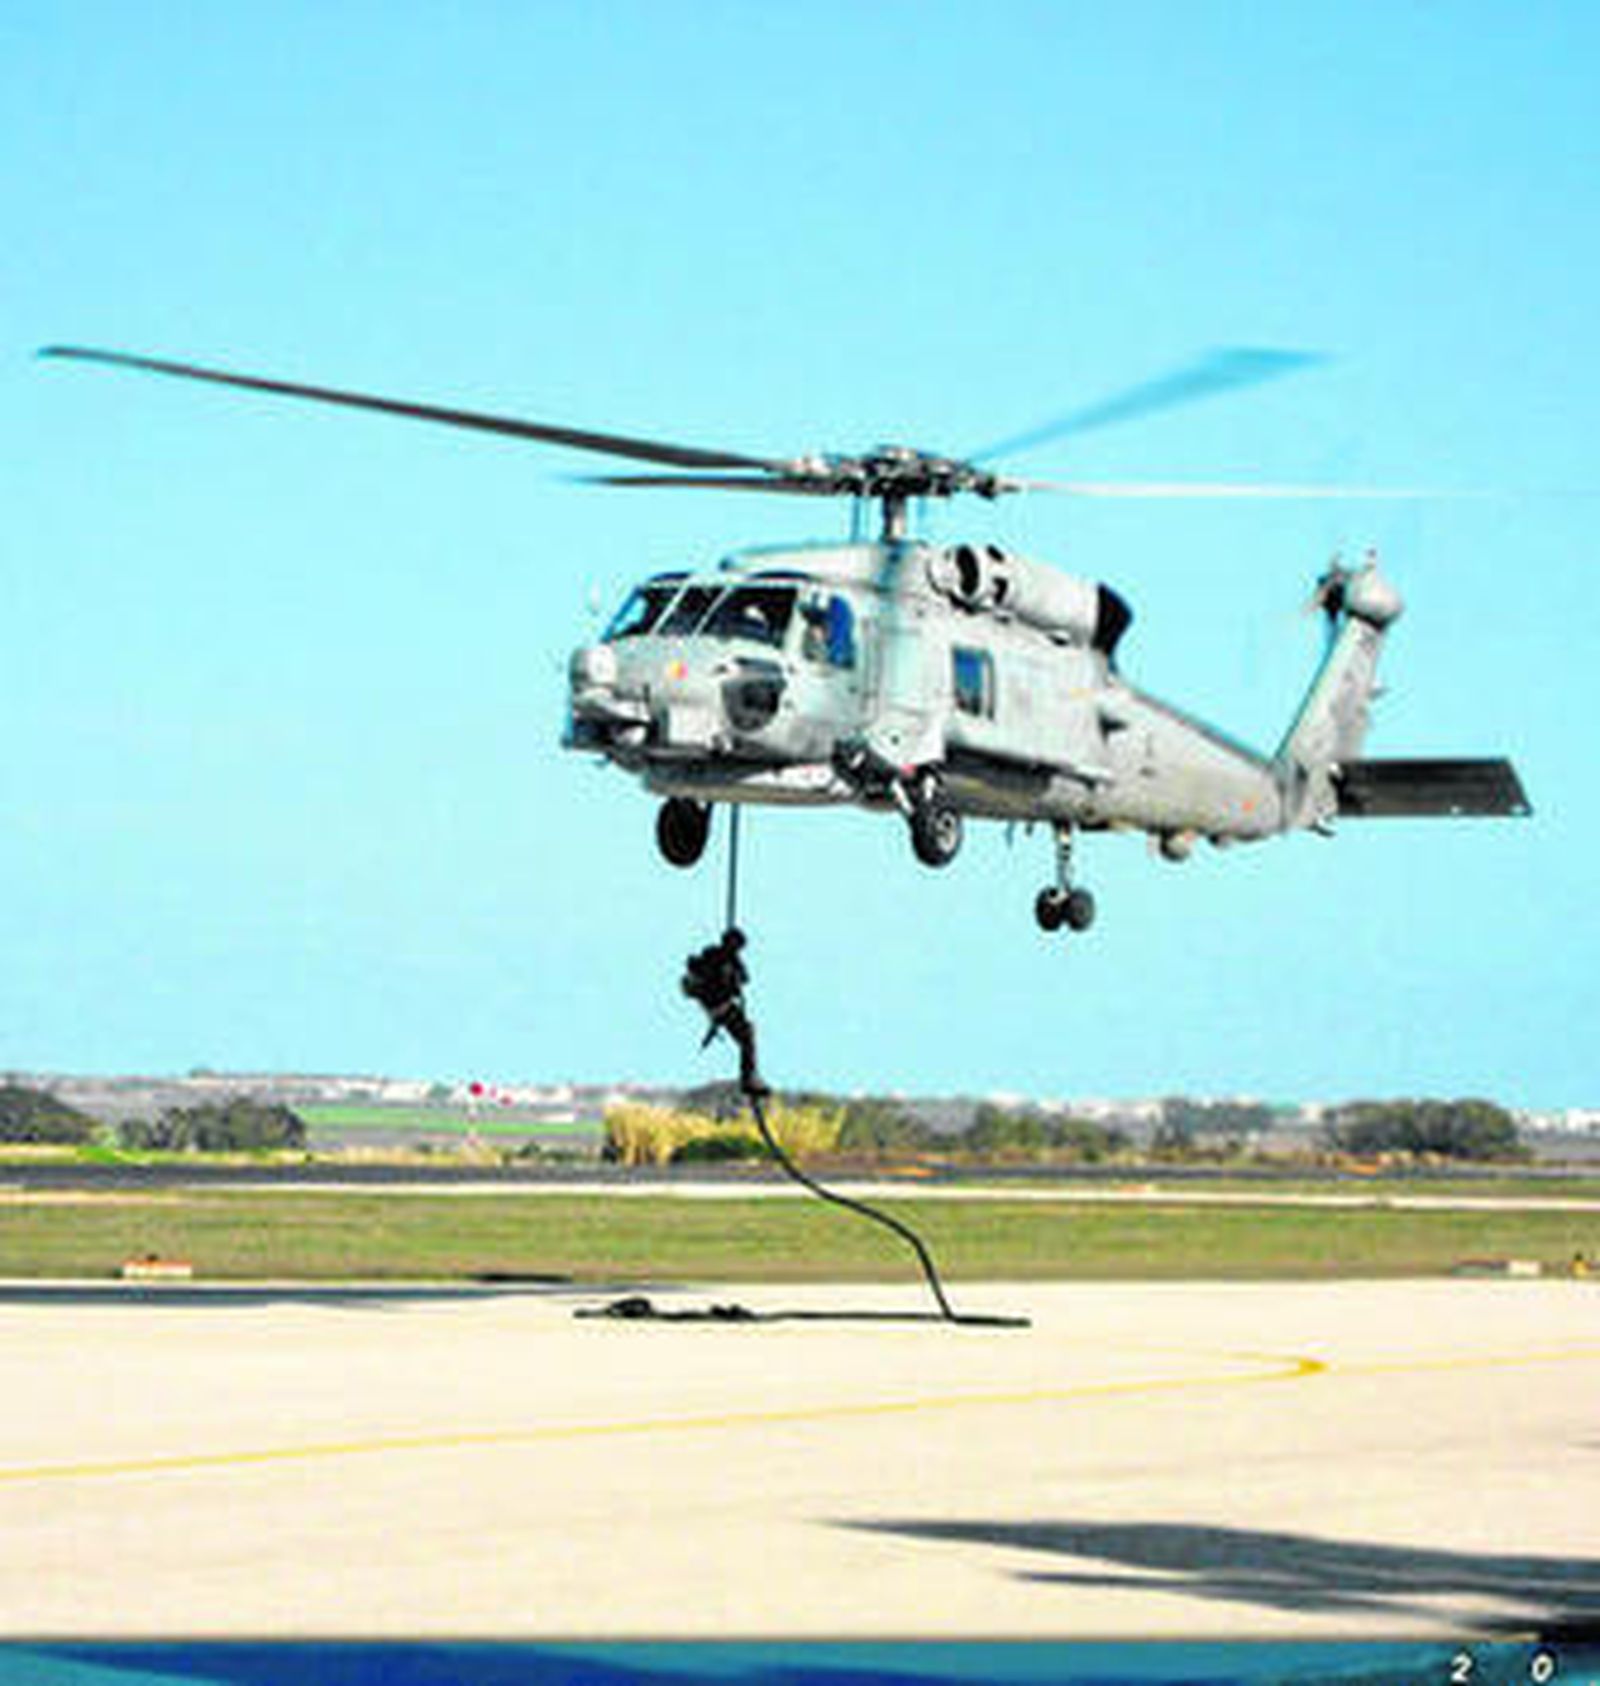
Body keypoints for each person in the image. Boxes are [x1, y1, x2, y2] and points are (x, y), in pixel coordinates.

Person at [682, 928, 768, 1097]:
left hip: (718, 1007)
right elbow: (738, 980)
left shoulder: (724, 958)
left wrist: (734, 974)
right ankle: (748, 1078)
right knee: (747, 1035)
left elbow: (744, 979)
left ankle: (750, 1077)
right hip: (720, 1007)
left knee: (747, 1034)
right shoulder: (717, 957)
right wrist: (731, 976)